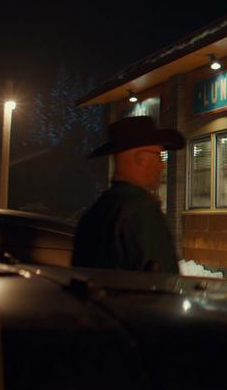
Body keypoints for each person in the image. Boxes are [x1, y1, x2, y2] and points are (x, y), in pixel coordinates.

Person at [72, 116, 184, 273]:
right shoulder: (142, 209)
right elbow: (164, 281)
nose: (163, 164)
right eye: (159, 156)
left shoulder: (97, 210)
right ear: (140, 159)